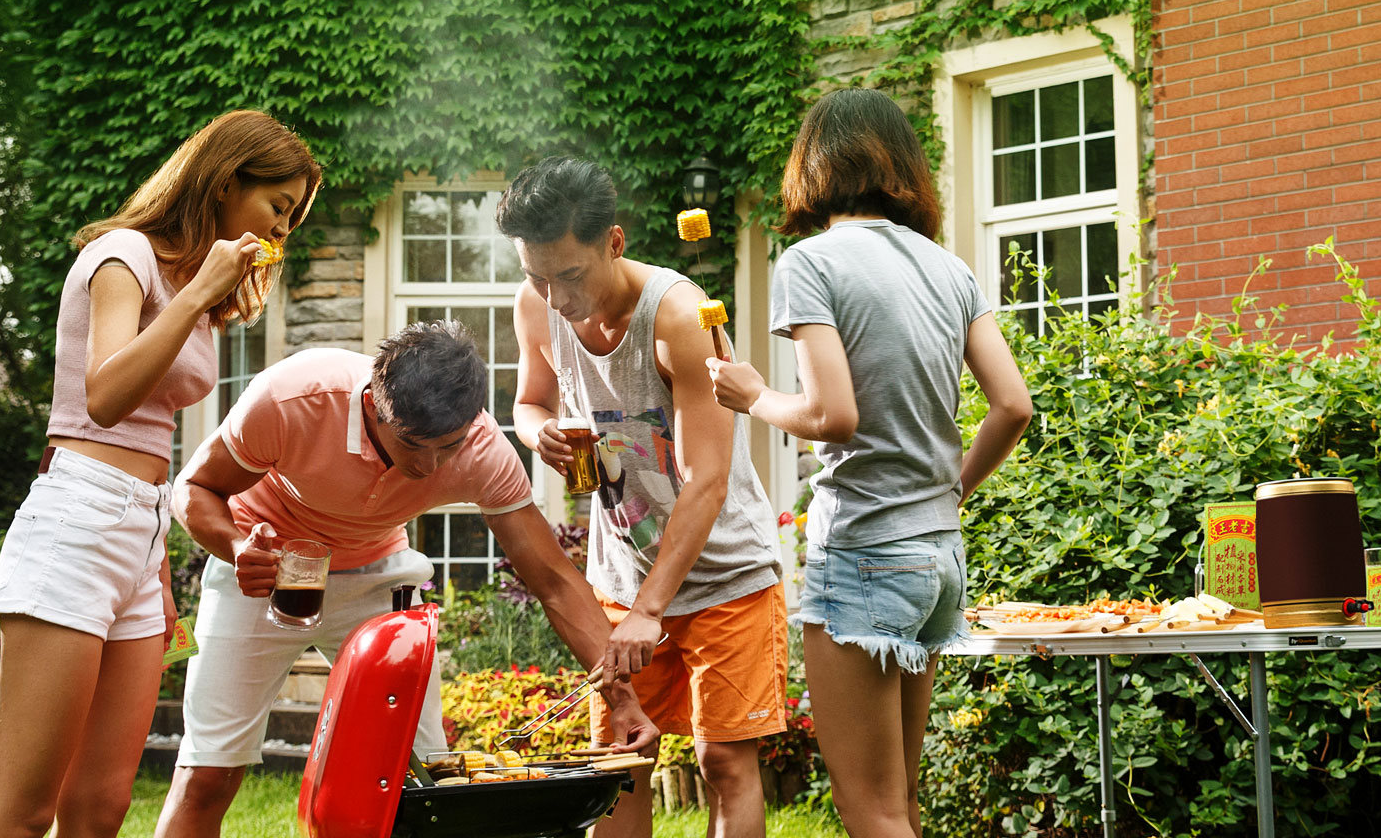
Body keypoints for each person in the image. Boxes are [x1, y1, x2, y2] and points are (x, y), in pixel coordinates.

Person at [153, 321, 660, 838]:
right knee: (207, 774)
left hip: (378, 576)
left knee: (419, 785)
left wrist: (624, 702)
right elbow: (194, 488)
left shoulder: (482, 450)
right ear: (372, 405)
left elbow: (553, 580)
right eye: (414, 444)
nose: (430, 465)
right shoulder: (292, 398)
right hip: (264, 572)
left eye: (449, 446)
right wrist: (237, 547)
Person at [0, 110, 319, 838]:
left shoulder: (198, 298)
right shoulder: (123, 255)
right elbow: (104, 396)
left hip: (141, 530)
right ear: (226, 182)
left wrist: (156, 569)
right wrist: (196, 293)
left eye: (293, 217)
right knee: (21, 814)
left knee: (101, 809)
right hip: (78, 521)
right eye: (278, 206)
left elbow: (155, 434)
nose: (283, 229)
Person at [706, 87, 1034, 838]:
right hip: (940, 555)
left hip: (863, 553)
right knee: (901, 802)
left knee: (871, 811)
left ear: (813, 167)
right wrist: (952, 490)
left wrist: (754, 397)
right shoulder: (949, 269)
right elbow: (1013, 405)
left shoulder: (810, 263)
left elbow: (833, 416)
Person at [500, 157, 786, 838]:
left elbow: (706, 479)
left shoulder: (680, 318)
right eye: (538, 277)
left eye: (570, 276)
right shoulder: (536, 304)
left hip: (726, 576)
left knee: (725, 764)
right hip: (621, 577)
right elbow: (529, 403)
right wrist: (540, 435)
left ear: (614, 242)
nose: (556, 299)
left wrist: (650, 611)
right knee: (618, 760)